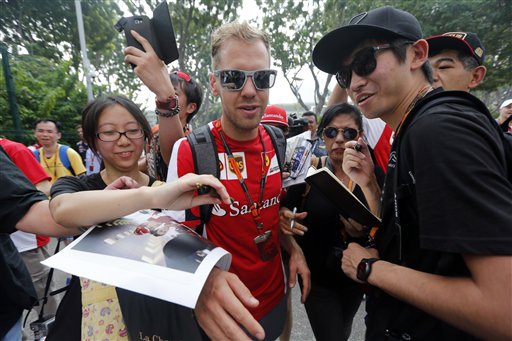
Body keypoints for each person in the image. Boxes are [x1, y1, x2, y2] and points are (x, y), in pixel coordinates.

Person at [313, 5, 512, 340]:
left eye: (365, 62)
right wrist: (372, 186)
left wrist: (370, 269)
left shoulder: (437, 131)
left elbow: (502, 308)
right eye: (345, 76)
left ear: (418, 54)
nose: (355, 83)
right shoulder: (412, 128)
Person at [47, 95, 255, 341]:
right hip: (94, 313)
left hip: (157, 310)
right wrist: (149, 197)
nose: (123, 141)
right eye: (109, 133)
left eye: (133, 131)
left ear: (145, 136)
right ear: (93, 140)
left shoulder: (169, 192)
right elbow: (62, 210)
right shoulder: (79, 186)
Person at [162, 21, 310, 340]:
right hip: (223, 314)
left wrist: (292, 245)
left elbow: (270, 212)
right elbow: (172, 242)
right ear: (215, 84)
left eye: (261, 78)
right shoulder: (189, 151)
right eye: (233, 78)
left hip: (276, 299)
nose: (249, 91)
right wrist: (203, 284)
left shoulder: (277, 141)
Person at [280, 103, 383, 340]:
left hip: (356, 277)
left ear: (360, 136)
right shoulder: (308, 172)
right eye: (331, 132)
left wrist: (366, 232)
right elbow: (284, 208)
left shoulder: (373, 175)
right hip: (317, 279)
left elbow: (386, 223)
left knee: (344, 328)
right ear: (322, 136)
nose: (338, 139)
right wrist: (283, 217)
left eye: (348, 132)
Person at [0, 138, 59, 340]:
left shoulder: (14, 149)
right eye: (40, 130)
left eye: (49, 131)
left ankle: (51, 330)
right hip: (16, 243)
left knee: (41, 293)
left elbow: (41, 190)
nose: (44, 135)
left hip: (26, 242)